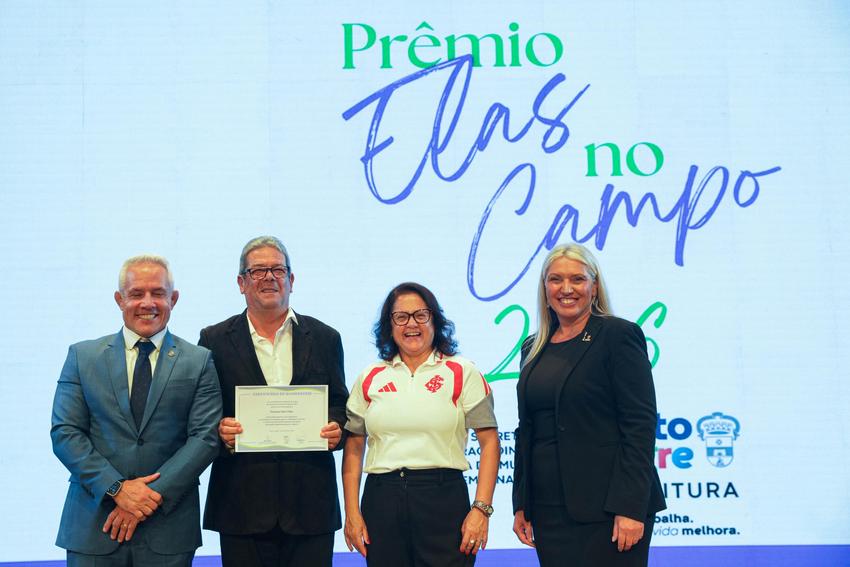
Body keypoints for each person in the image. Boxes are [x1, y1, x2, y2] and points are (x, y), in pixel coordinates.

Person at [51, 255, 222, 566]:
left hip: (168, 528)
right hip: (93, 525)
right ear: (120, 299)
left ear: (173, 299)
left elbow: (205, 438)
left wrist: (146, 498)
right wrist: (117, 489)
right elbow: (65, 433)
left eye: (158, 293)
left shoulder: (199, 361)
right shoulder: (82, 356)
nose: (147, 303)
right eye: (136, 293)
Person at [512, 244, 666, 567]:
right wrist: (521, 502)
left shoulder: (618, 335)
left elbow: (639, 425)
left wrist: (630, 506)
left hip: (608, 510)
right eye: (556, 279)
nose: (566, 289)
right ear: (544, 287)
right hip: (548, 510)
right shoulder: (532, 347)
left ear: (594, 287)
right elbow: (527, 429)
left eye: (577, 279)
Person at [200, 236, 349, 567]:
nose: (269, 277)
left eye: (278, 270)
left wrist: (336, 428)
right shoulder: (213, 340)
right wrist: (220, 430)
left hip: (310, 506)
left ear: (291, 280)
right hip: (241, 506)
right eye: (258, 271)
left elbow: (341, 405)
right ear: (241, 283)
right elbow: (201, 416)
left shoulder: (325, 338)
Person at [343, 282, 500, 567]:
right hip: (382, 500)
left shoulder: (462, 371)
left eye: (420, 315)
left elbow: (489, 443)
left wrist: (481, 509)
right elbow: (354, 448)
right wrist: (352, 513)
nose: (411, 324)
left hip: (443, 499)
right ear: (389, 325)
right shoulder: (369, 376)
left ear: (434, 320)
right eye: (401, 317)